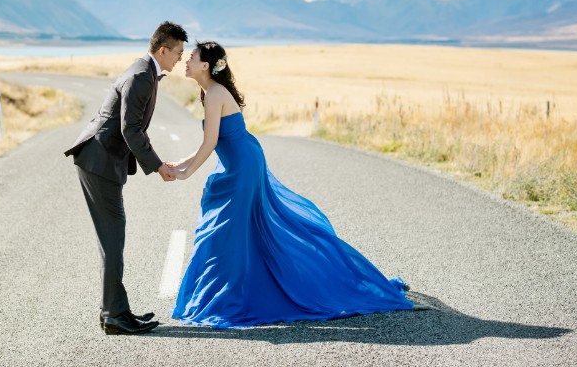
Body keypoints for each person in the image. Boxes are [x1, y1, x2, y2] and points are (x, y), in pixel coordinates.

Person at [168, 41, 414, 328]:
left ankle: (231, 296)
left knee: (224, 231)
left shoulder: (214, 94)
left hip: (243, 168)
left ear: (206, 66)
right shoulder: (209, 92)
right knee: (239, 233)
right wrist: (180, 164)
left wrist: (186, 173)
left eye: (192, 58)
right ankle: (236, 290)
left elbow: (210, 143)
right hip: (238, 163)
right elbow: (212, 140)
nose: (186, 61)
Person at [65, 21, 188, 335]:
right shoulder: (141, 76)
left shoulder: (144, 71)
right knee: (113, 239)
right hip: (98, 160)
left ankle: (115, 312)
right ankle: (116, 315)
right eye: (178, 52)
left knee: (112, 240)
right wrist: (159, 166)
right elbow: (130, 129)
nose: (180, 59)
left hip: (100, 160)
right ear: (163, 49)